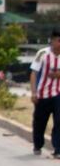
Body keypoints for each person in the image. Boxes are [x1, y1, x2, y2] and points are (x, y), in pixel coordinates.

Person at [29, 29, 60, 157]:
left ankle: (58, 148)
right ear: (52, 40)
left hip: (58, 93)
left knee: (59, 121)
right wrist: (34, 92)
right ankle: (38, 144)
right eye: (58, 41)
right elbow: (34, 73)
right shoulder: (42, 53)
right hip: (43, 94)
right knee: (40, 122)